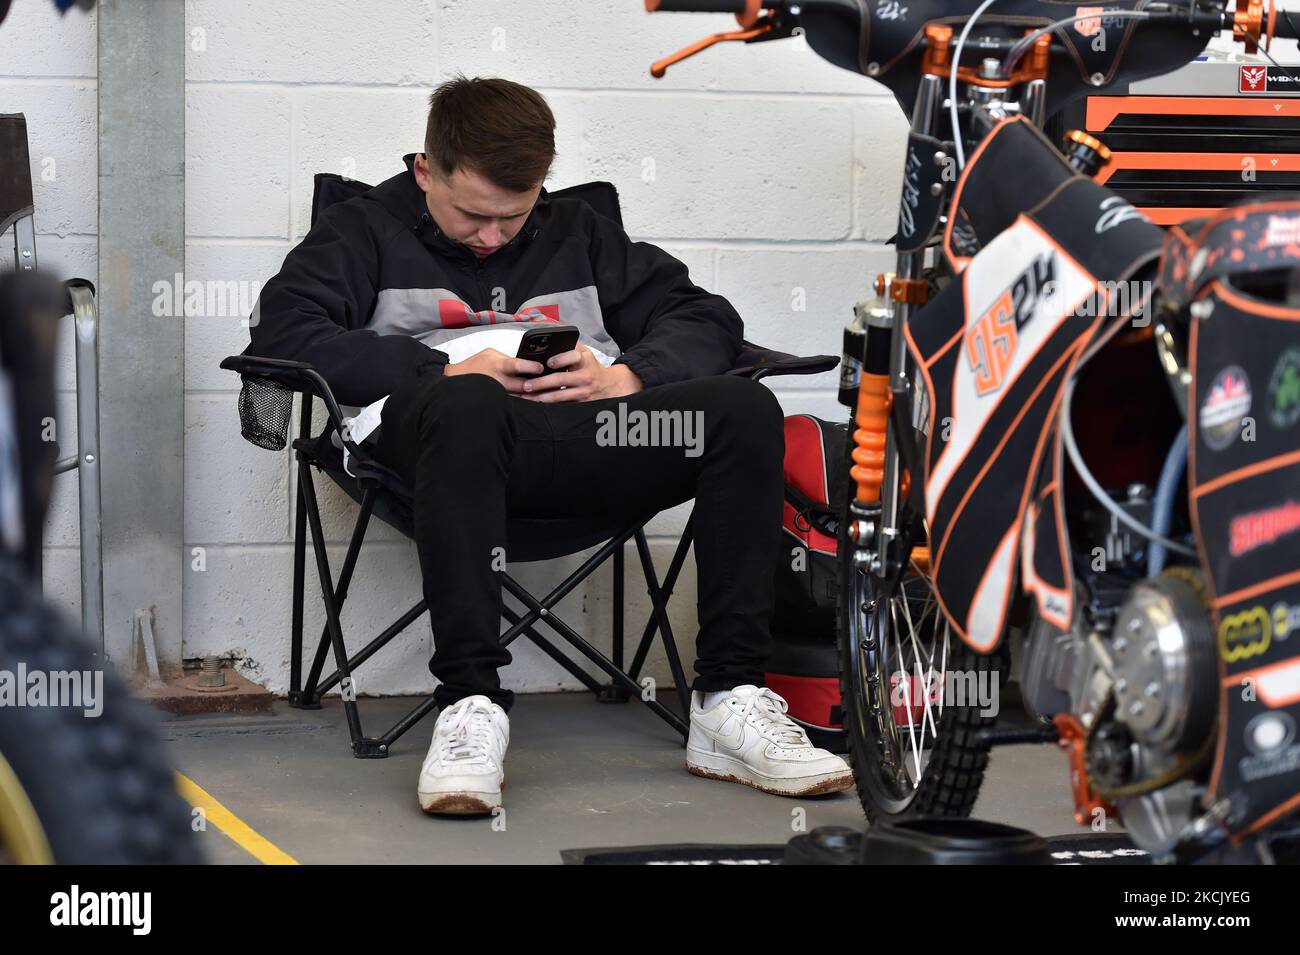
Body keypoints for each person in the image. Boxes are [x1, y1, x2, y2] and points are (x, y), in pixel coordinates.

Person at [246, 75, 851, 815]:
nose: (493, 237)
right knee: (467, 402)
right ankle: (470, 705)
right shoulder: (361, 230)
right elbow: (283, 334)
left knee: (741, 406)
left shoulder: (579, 231)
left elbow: (704, 316)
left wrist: (629, 375)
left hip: (581, 441)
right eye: (473, 215)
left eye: (514, 214)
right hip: (432, 449)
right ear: (425, 170)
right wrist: (442, 366)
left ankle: (728, 700)